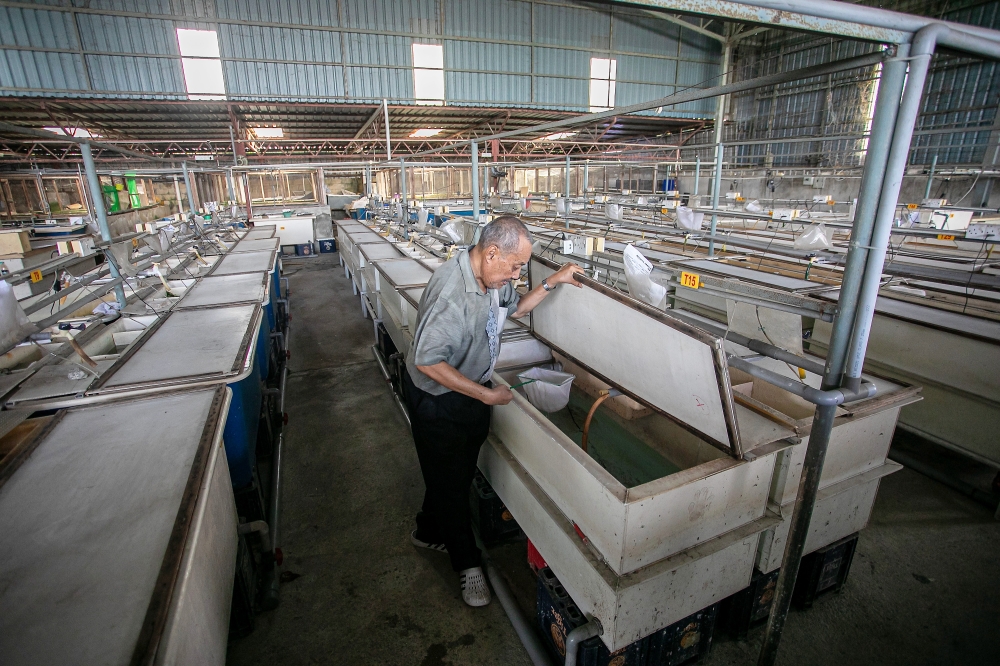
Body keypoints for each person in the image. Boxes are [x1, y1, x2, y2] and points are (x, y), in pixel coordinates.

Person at [403, 215, 583, 607]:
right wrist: (485, 397)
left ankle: (427, 531)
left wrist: (554, 281)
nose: (517, 275)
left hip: (470, 390)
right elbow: (427, 362)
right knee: (452, 485)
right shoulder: (453, 294)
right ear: (492, 253)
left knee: (452, 473)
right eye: (515, 266)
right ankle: (467, 565)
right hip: (438, 399)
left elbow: (515, 308)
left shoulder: (490, 278)